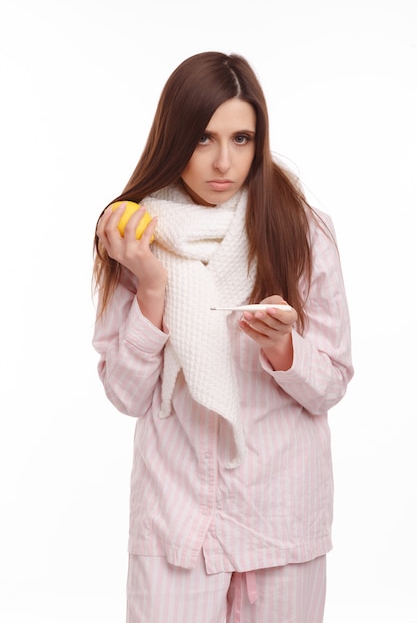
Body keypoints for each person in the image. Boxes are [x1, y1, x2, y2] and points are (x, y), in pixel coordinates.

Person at [92, 51, 353, 623]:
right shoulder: (133, 237)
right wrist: (154, 289)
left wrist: (282, 349)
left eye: (241, 139)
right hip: (177, 525)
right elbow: (126, 397)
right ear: (174, 137)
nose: (222, 162)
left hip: (280, 524)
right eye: (204, 138)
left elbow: (332, 383)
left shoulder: (300, 230)